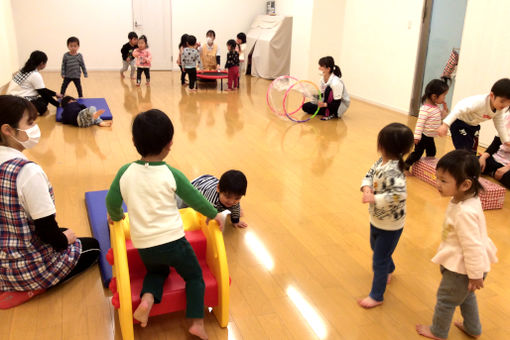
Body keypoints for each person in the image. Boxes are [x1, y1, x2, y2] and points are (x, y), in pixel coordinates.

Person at [105, 109, 223, 339]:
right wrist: (213, 212)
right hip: (174, 243)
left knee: (156, 271)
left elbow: (111, 201)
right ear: (170, 144)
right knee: (194, 276)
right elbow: (194, 198)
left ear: (133, 142)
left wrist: (116, 216)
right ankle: (197, 322)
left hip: (145, 245)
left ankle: (147, 300)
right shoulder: (171, 174)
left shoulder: (125, 173)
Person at [0, 95, 100, 303]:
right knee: (92, 246)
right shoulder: (26, 173)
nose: (35, 127)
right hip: (22, 270)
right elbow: (46, 230)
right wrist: (65, 240)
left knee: (59, 232)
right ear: (7, 130)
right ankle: (32, 288)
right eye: (29, 123)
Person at [416, 150, 497, 340]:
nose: (437, 184)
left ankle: (438, 331)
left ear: (465, 184)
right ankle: (473, 328)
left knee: (446, 300)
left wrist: (476, 274)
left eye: (443, 181)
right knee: (466, 297)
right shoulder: (468, 198)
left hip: (463, 269)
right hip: (466, 265)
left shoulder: (465, 213)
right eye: (437, 178)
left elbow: (472, 246)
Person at [359, 123, 414, 308]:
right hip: (377, 218)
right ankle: (390, 268)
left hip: (391, 224)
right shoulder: (380, 161)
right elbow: (369, 174)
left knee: (379, 259)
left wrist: (374, 198)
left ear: (382, 145)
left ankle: (377, 295)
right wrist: (366, 187)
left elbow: (399, 195)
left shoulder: (394, 171)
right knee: (375, 246)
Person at [437, 78, 510, 154]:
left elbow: (500, 125)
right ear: (492, 95)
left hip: (473, 127)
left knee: (472, 152)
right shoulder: (480, 102)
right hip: (459, 123)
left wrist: (505, 141)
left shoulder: (499, 110)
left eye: (508, 103)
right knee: (464, 152)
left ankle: (466, 164)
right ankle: (454, 164)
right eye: (502, 101)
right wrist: (445, 125)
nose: (504, 105)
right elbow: (459, 108)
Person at [177, 171, 248, 228]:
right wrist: (211, 216)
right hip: (196, 186)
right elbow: (205, 210)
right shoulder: (211, 201)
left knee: (234, 206)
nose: (231, 201)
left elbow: (236, 208)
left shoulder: (233, 201)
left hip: (211, 181)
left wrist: (236, 221)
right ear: (218, 189)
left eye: (237, 198)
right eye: (228, 197)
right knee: (185, 204)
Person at [405, 79, 449, 170]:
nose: (444, 98)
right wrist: (416, 136)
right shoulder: (425, 109)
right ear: (434, 96)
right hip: (422, 137)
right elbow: (420, 123)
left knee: (432, 152)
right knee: (417, 154)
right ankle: (405, 167)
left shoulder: (436, 107)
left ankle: (426, 168)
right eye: (443, 95)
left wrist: (445, 110)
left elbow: (440, 117)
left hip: (430, 136)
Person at [7, 51, 61, 115]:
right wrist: (58, 105)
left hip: (10, 99)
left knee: (44, 99)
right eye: (45, 63)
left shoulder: (24, 70)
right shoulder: (35, 75)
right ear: (41, 63)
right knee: (42, 107)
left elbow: (41, 89)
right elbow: (44, 93)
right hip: (18, 101)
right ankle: (25, 111)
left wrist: (55, 94)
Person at [302, 56, 350, 121]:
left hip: (338, 107)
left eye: (321, 66)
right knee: (305, 107)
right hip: (327, 103)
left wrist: (324, 104)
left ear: (328, 69)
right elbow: (323, 95)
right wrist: (310, 95)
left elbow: (336, 103)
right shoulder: (322, 80)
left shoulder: (336, 83)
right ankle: (326, 110)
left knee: (328, 89)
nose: (319, 68)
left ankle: (331, 113)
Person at [478, 113, 510, 188]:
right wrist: (483, 157)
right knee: (472, 164)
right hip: (497, 158)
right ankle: (494, 172)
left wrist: (507, 168)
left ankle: (493, 172)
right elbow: (496, 143)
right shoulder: (507, 118)